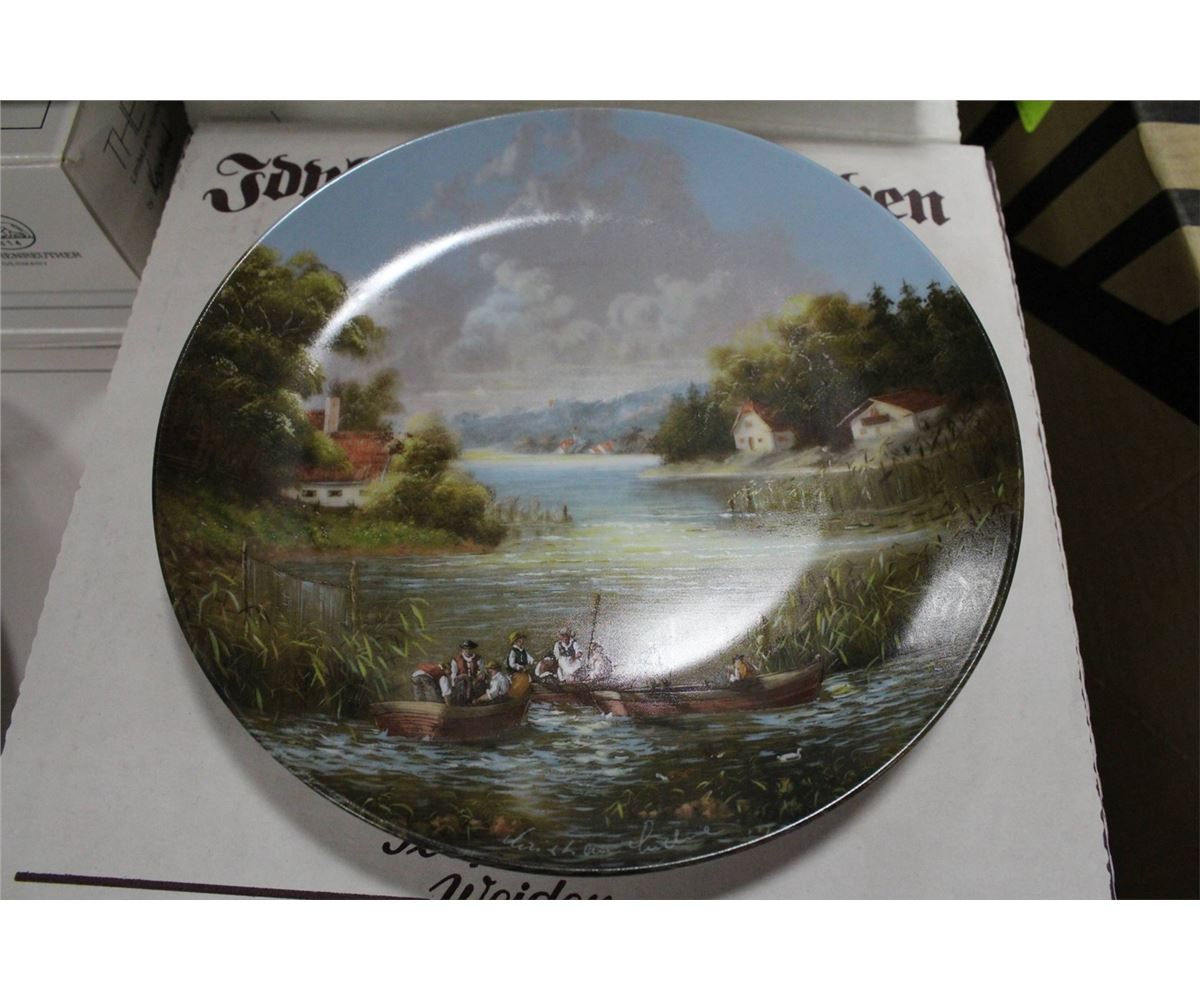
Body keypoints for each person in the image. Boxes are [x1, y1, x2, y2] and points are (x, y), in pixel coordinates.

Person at [448, 639, 482, 705]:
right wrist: (460, 677)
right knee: (463, 685)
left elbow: (481, 671)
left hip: (474, 680)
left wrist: (477, 678)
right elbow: (453, 675)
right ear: (462, 649)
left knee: (479, 685)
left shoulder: (478, 658)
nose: (467, 651)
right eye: (465, 649)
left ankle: (476, 702)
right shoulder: (456, 660)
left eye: (469, 649)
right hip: (461, 681)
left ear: (473, 649)